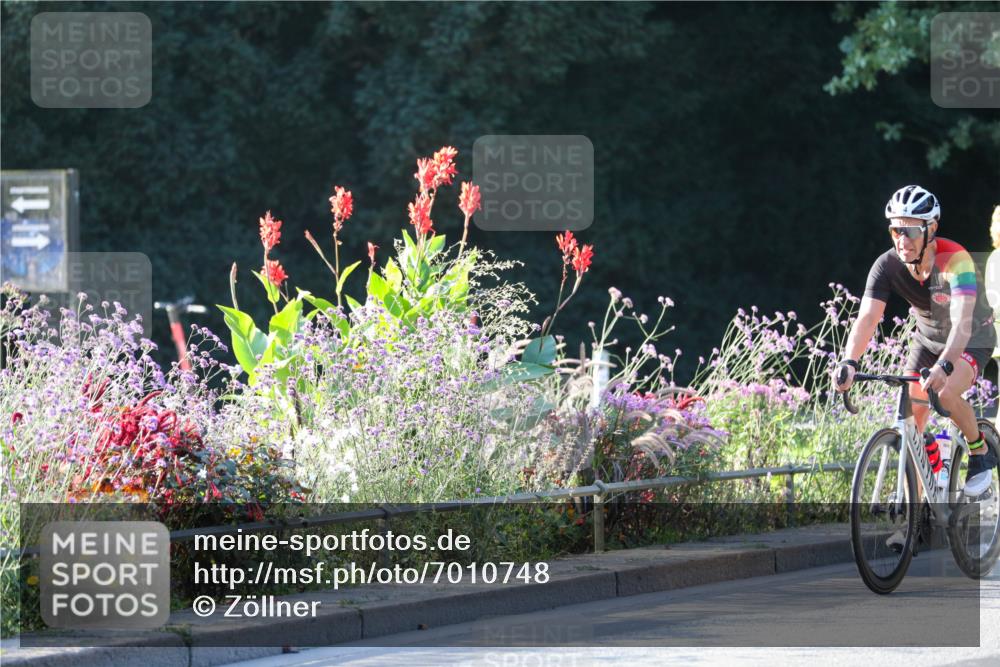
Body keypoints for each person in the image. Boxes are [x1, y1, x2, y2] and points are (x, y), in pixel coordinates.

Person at [833, 185, 998, 498]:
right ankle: (918, 514)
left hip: (971, 337)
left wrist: (945, 365)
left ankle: (980, 451)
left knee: (946, 392)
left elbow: (962, 324)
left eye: (910, 231)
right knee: (912, 423)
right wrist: (849, 361)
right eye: (896, 229)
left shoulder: (955, 259)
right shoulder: (887, 265)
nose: (901, 239)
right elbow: (867, 318)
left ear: (931, 229)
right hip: (927, 339)